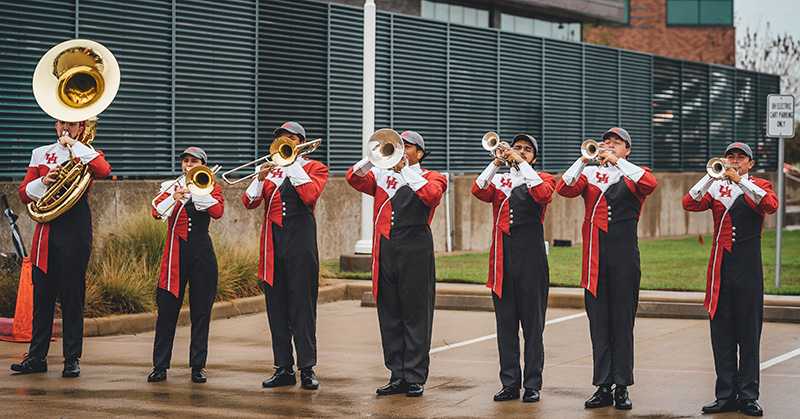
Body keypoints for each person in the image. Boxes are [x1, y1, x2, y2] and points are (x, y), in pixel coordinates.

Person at [555, 127, 657, 410]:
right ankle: (602, 385)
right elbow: (563, 188)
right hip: (594, 260)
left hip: (624, 258)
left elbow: (649, 184)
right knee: (599, 324)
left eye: (617, 143)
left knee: (622, 324)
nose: (610, 146)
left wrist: (617, 162)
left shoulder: (633, 173)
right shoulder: (588, 174)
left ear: (627, 150)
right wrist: (583, 160)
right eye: (607, 142)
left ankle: (622, 386)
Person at [346, 130, 447, 398]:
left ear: (419, 153)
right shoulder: (380, 175)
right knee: (389, 312)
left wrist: (405, 170)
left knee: (415, 313)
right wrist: (372, 157)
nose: (401, 149)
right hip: (386, 248)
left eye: (407, 146)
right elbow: (353, 178)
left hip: (415, 248)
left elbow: (432, 196)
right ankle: (397, 374)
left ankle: (415, 376)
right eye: (398, 145)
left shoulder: (431, 176)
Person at [682, 142, 778, 417]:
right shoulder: (715, 186)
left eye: (740, 158)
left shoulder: (760, 185)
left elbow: (770, 205)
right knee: (722, 334)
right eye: (730, 157)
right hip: (721, 266)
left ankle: (748, 395)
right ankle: (725, 394)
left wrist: (741, 182)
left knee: (749, 333)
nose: (734, 161)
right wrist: (710, 176)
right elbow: (689, 202)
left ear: (750, 163)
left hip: (749, 265)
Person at [11, 119, 111, 377]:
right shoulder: (40, 153)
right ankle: (36, 357)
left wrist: (74, 145)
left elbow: (103, 170)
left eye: (72, 124)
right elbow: (24, 194)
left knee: (72, 295)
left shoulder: (87, 151)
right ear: (55, 126)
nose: (65, 127)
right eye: (61, 123)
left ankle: (71, 359)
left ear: (81, 127)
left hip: (75, 227)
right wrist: (44, 181)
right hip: (47, 228)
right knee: (42, 295)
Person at [242, 122, 328, 390]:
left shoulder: (314, 168)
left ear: (301, 142)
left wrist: (292, 165)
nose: (284, 143)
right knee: (276, 308)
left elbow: (309, 195)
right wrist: (259, 178)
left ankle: (307, 368)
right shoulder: (269, 171)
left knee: (302, 306)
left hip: (300, 241)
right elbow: (249, 202)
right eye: (281, 139)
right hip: (273, 243)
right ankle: (283, 368)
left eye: (289, 139)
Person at [471, 134, 555, 403]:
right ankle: (509, 383)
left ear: (534, 157)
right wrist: (497, 162)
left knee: (533, 327)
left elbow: (543, 195)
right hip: (502, 260)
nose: (519, 151)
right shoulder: (499, 180)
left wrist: (521, 163)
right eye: (517, 147)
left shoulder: (541, 177)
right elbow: (478, 189)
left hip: (531, 258)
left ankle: (532, 384)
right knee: (506, 326)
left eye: (527, 149)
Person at [148, 147, 224, 384]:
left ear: (203, 164)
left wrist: (198, 191)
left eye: (194, 161)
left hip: (202, 248)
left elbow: (218, 211)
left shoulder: (211, 185)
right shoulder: (170, 186)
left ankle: (198, 366)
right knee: (167, 310)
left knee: (201, 311)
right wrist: (175, 196)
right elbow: (155, 212)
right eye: (186, 161)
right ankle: (160, 366)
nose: (188, 165)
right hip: (175, 251)